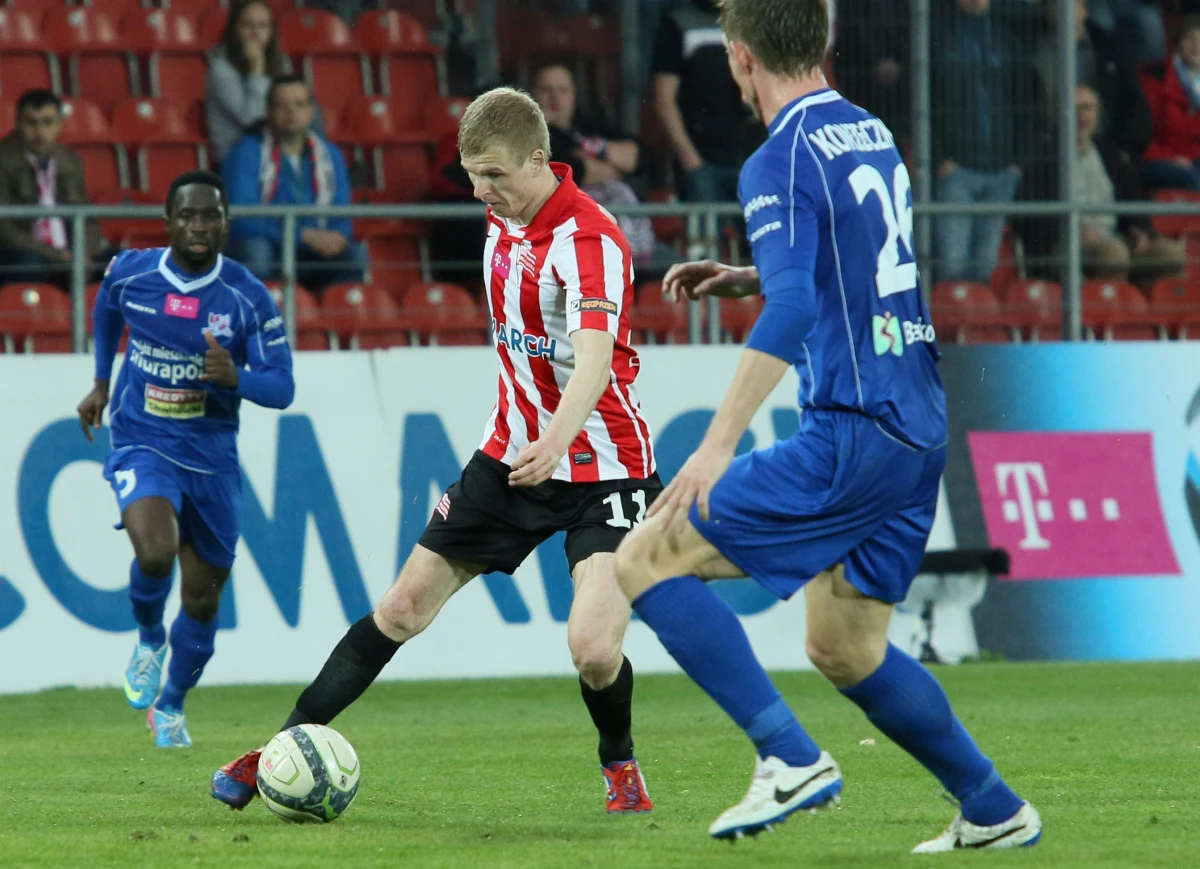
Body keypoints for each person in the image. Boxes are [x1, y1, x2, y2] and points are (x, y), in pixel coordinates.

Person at [612, 0, 1041, 852]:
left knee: (644, 557)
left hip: (853, 428)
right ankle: (993, 806)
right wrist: (751, 273)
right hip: (916, 424)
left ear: (739, 58)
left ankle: (788, 756)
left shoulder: (778, 156)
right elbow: (855, 256)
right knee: (844, 645)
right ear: (823, 41)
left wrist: (717, 441)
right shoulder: (869, 130)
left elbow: (800, 301)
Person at [211, 87, 661, 815]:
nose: (480, 191)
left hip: (605, 466)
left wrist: (555, 438)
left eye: (493, 175)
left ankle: (621, 768)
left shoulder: (590, 239)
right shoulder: (501, 217)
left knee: (594, 649)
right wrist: (533, 439)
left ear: (539, 160)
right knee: (401, 606)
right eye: (471, 175)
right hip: (511, 456)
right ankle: (278, 749)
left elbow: (597, 361)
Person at [76, 170, 295, 749]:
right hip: (142, 438)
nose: (199, 226)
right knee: (154, 552)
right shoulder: (133, 272)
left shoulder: (247, 295)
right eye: (188, 216)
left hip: (212, 459)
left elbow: (283, 387)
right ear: (169, 221)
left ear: (225, 222)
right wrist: (101, 380)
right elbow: (106, 308)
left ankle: (170, 704)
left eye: (210, 216)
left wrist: (237, 377)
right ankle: (149, 639)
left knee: (202, 596)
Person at [221, 75, 366, 294]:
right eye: (282, 105)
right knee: (256, 251)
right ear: (268, 111)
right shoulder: (246, 152)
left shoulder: (331, 155)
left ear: (311, 112)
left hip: (312, 252)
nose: (291, 111)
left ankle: (328, 323)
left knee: (355, 254)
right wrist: (301, 235)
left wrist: (333, 238)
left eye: (299, 104)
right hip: (271, 249)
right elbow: (242, 219)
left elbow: (342, 220)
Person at [0, 89, 109, 283]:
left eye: (47, 123)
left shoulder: (70, 160)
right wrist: (59, 256)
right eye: (31, 123)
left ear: (59, 124)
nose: (40, 132)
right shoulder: (3, 159)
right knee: (28, 263)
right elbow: (6, 230)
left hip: (69, 252)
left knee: (121, 263)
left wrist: (82, 253)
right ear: (17, 123)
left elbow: (87, 218)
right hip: (28, 252)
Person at [205, 0, 290, 167]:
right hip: (235, 158)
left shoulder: (280, 62)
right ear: (234, 29)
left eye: (263, 26)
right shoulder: (221, 68)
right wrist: (256, 69)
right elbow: (252, 119)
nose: (256, 33)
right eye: (248, 25)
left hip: (274, 153)